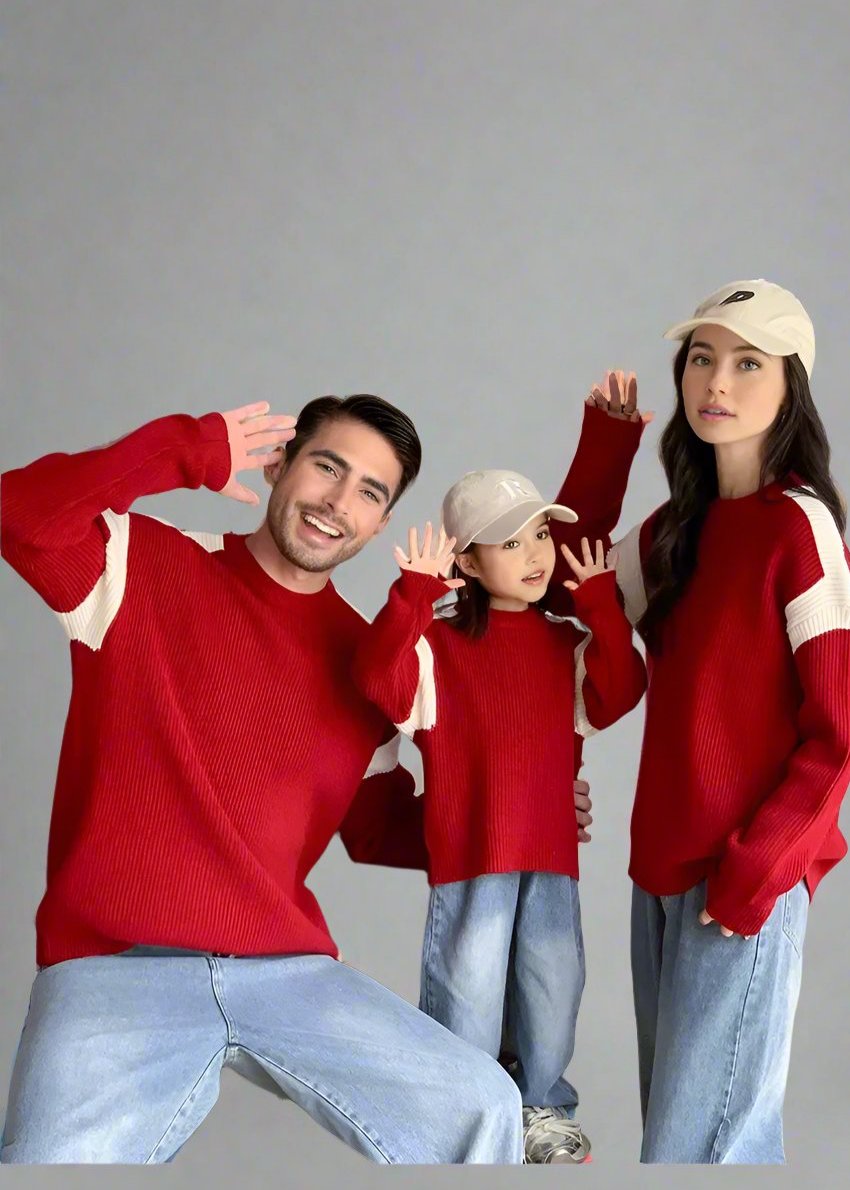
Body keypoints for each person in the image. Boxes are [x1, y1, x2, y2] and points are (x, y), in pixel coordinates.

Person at [0, 394, 530, 1164]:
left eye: (370, 493)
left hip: (286, 975)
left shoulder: (367, 661)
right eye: (326, 467)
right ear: (280, 464)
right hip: (114, 969)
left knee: (483, 1108)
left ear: (381, 525)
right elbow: (17, 514)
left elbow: (380, 830)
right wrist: (181, 448)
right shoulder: (139, 562)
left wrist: (514, 813)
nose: (338, 503)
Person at [560, 280, 850, 1163]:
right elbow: (559, 591)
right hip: (657, 872)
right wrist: (607, 453)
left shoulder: (799, 528)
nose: (715, 381)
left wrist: (759, 870)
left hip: (741, 883)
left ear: (790, 383)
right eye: (700, 358)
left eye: (747, 361)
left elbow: (839, 729)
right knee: (678, 1144)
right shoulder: (675, 533)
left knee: (700, 1152)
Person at [351, 464, 647, 1163]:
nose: (536, 552)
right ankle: (461, 1108)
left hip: (550, 856)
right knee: (470, 991)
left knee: (554, 984)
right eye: (510, 542)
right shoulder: (437, 649)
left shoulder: (566, 645)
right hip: (470, 857)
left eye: (540, 532)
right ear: (468, 563)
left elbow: (620, 691)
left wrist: (603, 606)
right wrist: (412, 597)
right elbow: (376, 681)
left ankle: (543, 1107)